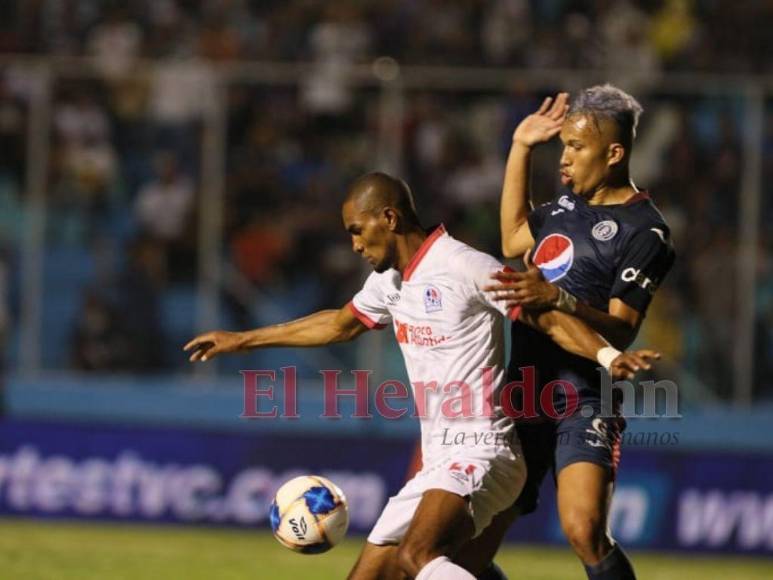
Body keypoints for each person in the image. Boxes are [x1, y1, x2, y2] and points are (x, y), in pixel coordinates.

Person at [184, 172, 658, 580]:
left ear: (388, 218)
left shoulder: (465, 265)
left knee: (419, 556)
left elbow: (545, 318)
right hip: (439, 462)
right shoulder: (390, 282)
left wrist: (606, 355)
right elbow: (340, 323)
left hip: (483, 448)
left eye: (356, 230)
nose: (353, 244)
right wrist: (241, 340)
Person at [459, 86, 675, 580]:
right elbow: (514, 238)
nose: (566, 158)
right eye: (564, 146)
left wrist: (561, 300)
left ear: (614, 153)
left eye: (577, 147)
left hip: (584, 396)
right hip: (524, 392)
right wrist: (521, 147)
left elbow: (621, 330)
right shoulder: (563, 207)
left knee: (583, 530)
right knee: (468, 553)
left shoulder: (646, 232)